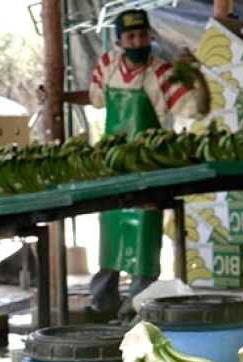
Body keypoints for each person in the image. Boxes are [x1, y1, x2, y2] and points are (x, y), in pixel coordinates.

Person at [63, 9, 210, 323]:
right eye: (130, 36)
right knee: (110, 237)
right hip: (115, 165)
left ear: (150, 37)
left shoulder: (164, 73)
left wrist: (195, 74)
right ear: (119, 41)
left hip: (150, 166)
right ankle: (100, 303)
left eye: (142, 35)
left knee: (145, 240)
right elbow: (96, 99)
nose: (138, 41)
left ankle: (136, 306)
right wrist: (59, 97)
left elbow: (199, 109)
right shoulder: (107, 66)